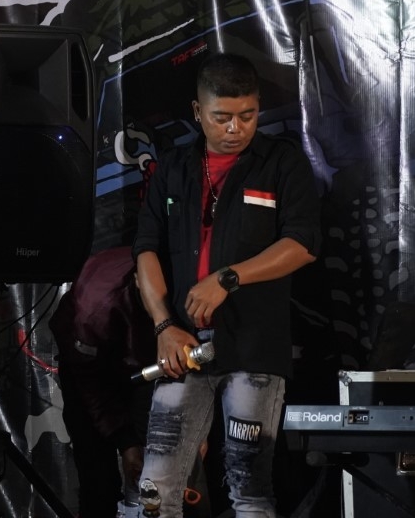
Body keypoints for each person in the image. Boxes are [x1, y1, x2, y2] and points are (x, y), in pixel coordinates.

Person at [132, 51, 321, 518]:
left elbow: (302, 244)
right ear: (198, 112)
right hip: (182, 345)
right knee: (154, 490)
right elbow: (145, 250)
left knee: (249, 488)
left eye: (247, 115)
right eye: (222, 117)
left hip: (253, 346)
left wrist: (227, 278)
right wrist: (163, 326)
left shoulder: (282, 163)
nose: (235, 128)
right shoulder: (173, 167)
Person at [49, 245, 156, 518]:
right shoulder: (93, 311)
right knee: (98, 478)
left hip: (150, 365)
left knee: (158, 470)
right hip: (90, 368)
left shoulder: (181, 282)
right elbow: (93, 387)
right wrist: (127, 442)